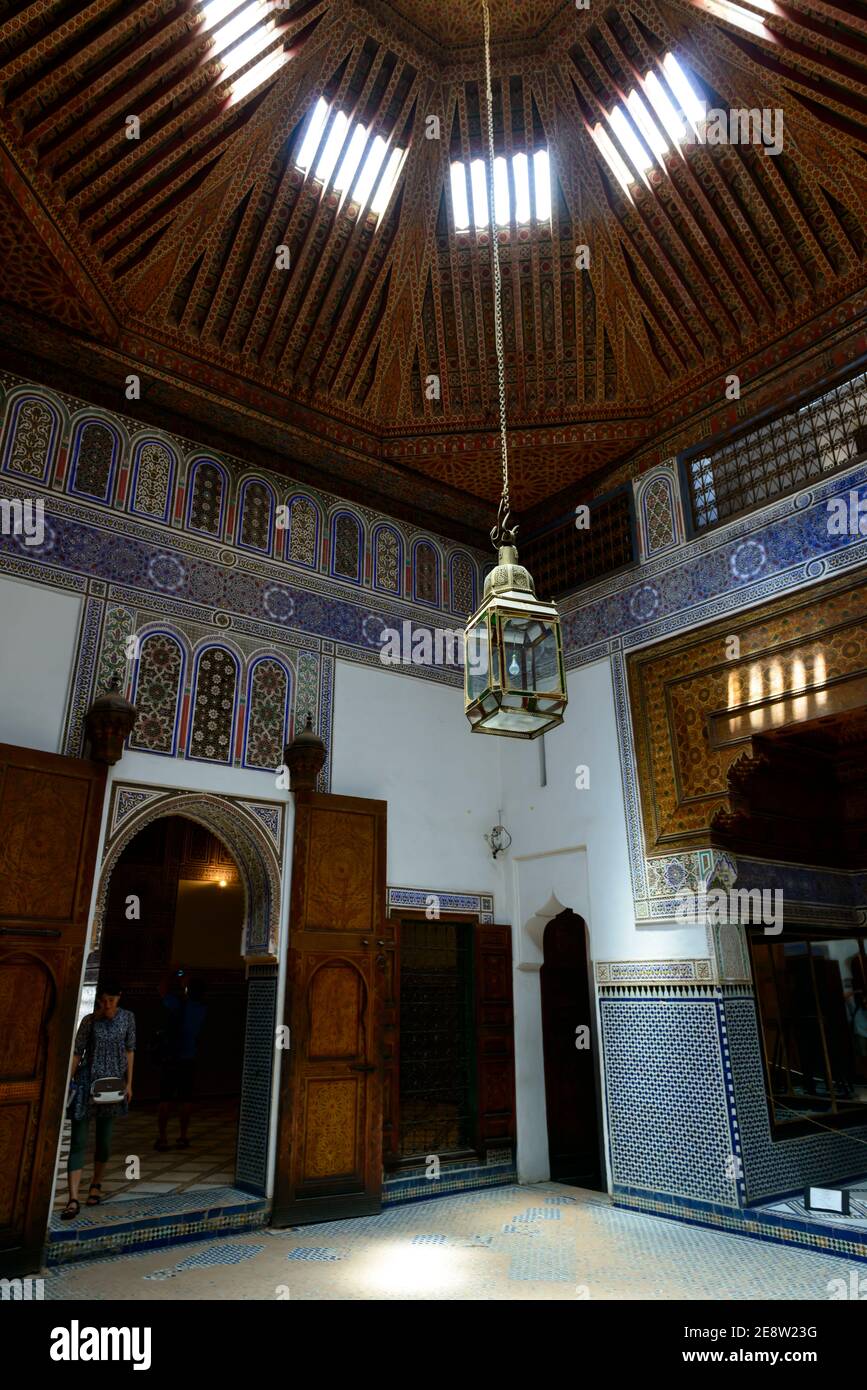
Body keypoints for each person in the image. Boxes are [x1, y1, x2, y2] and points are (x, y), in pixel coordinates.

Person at [61, 981, 135, 1220]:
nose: (108, 1005)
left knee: (104, 1139)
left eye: (111, 1001)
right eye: (104, 1001)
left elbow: (130, 1050)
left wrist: (129, 1083)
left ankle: (96, 1184)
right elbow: (77, 1052)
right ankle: (73, 1197)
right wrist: (68, 1083)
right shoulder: (90, 1021)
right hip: (86, 1085)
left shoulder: (127, 1019)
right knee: (78, 1140)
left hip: (112, 1086)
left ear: (119, 997)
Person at [155, 976, 207, 1150]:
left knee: (165, 1099)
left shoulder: (177, 1004)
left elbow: (161, 989)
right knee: (186, 1099)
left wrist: (173, 975)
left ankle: (162, 1137)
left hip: (171, 1058)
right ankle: (183, 1136)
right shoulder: (202, 1010)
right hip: (190, 1058)